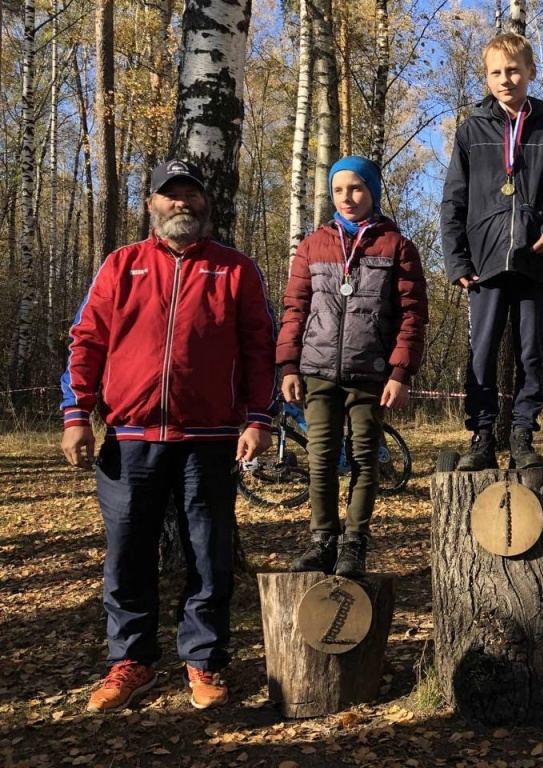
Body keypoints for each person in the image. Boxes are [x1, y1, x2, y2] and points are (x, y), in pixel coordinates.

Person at [60, 160, 277, 713]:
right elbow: (86, 340)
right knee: (128, 551)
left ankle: (204, 659)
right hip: (130, 436)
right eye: (170, 195)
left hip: (210, 438)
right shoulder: (121, 265)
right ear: (152, 204)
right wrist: (76, 413)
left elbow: (260, 348)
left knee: (209, 553)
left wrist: (258, 418)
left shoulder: (235, 270)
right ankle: (131, 659)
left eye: (191, 195)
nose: (182, 203)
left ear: (206, 205)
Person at [441, 32, 543, 471]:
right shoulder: (471, 131)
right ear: (487, 77)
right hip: (484, 264)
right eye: (496, 72)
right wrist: (456, 260)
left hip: (534, 259)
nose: (506, 79)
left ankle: (523, 435)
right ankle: (482, 436)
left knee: (530, 352)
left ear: (531, 73)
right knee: (481, 351)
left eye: (514, 70)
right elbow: (453, 201)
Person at [277, 156, 428, 577]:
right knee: (321, 458)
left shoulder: (397, 246)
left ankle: (355, 544)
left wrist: (400, 373)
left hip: (371, 372)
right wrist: (289, 365)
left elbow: (412, 316)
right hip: (317, 371)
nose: (347, 197)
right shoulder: (312, 245)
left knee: (365, 458)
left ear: (373, 192)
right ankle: (322, 540)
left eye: (357, 188)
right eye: (339, 189)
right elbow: (295, 308)